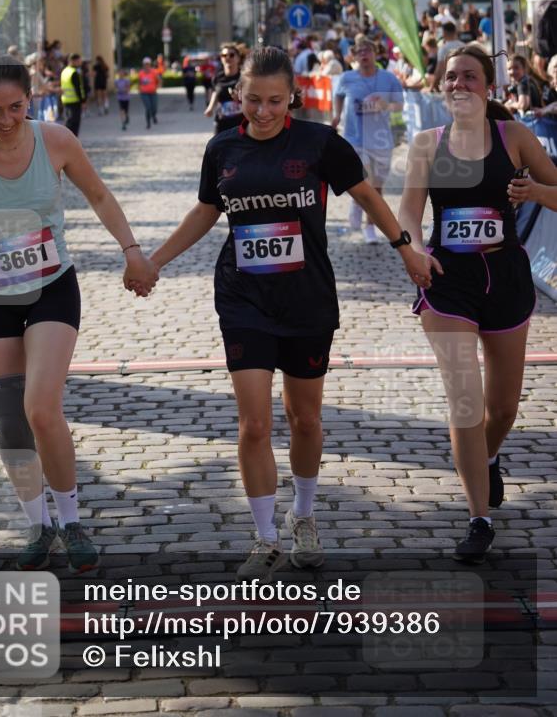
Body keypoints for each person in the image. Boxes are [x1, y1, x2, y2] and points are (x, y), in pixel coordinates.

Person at [138, 46, 432, 579]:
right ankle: (266, 535)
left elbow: (366, 195)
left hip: (307, 299)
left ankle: (303, 515)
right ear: (237, 96)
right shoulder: (222, 147)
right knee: (253, 423)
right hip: (243, 297)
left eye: (275, 100)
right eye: (253, 100)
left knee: (306, 418)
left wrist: (406, 247)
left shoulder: (320, 143)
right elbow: (207, 210)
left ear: (292, 96)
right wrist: (154, 260)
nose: (265, 111)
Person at [0, 56, 157, 572]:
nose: (5, 119)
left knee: (41, 406)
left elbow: (100, 195)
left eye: (15, 107)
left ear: (30, 101)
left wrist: (132, 250)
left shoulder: (57, 140)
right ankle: (38, 525)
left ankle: (71, 519)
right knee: (11, 421)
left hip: (51, 287)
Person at [398, 43, 557, 563]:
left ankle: (488, 455)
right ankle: (478, 518)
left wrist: (534, 191)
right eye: (451, 78)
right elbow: (409, 216)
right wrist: (415, 253)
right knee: (464, 399)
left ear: (488, 88)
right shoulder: (426, 144)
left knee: (504, 407)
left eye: (470, 77)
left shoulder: (513, 137)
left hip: (506, 278)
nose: (459, 85)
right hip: (449, 283)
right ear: (440, 88)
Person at [331, 37, 404, 242]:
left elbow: (399, 104)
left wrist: (386, 105)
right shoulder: (346, 78)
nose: (364, 54)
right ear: (354, 56)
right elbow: (338, 95)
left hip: (380, 140)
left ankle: (363, 213)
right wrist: (336, 115)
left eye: (368, 50)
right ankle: (367, 223)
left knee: (377, 188)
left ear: (375, 53)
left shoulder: (389, 79)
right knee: (366, 181)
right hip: (355, 138)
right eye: (359, 51)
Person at [204, 44, 244, 134]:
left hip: (240, 122)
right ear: (221, 59)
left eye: (231, 55)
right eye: (224, 55)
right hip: (221, 120)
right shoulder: (218, 77)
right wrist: (210, 108)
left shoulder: (245, 77)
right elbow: (215, 92)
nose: (228, 57)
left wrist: (240, 98)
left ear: (238, 58)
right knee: (217, 146)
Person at [60, 52, 86, 136]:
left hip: (65, 100)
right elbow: (77, 88)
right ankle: (72, 142)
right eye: (79, 61)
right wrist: (83, 101)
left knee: (68, 122)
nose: (80, 63)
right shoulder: (73, 73)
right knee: (74, 124)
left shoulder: (64, 71)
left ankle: (66, 140)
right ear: (73, 61)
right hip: (75, 101)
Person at [138, 57, 160, 129]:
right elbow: (139, 83)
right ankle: (148, 123)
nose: (146, 66)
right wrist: (140, 90)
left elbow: (158, 80)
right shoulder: (141, 73)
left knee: (154, 107)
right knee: (148, 107)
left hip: (153, 93)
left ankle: (153, 116)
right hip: (144, 93)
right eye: (145, 64)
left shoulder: (154, 72)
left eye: (148, 64)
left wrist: (157, 87)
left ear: (150, 65)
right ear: (143, 65)